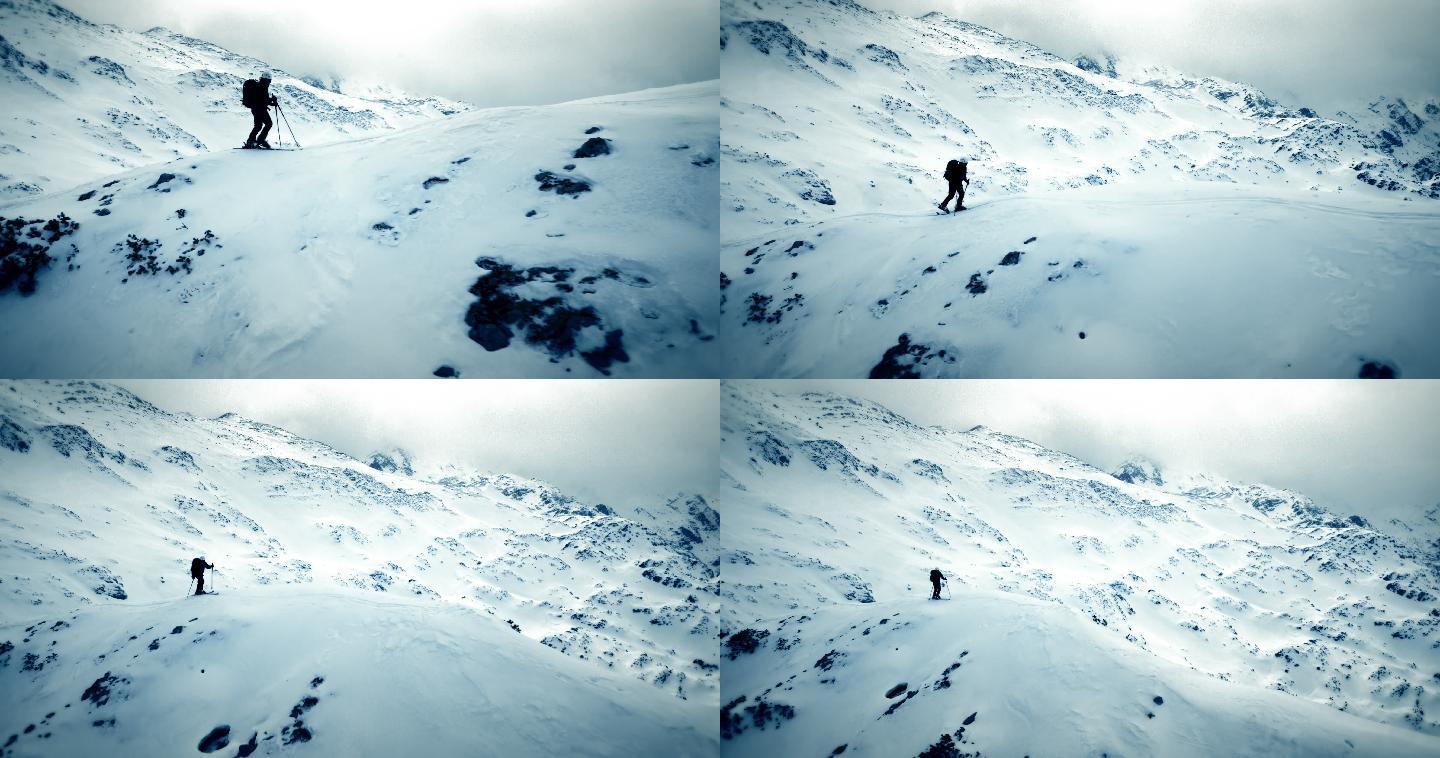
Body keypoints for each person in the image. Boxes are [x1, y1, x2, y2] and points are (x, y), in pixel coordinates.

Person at [242, 73, 278, 149]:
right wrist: (273, 101)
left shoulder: (259, 85)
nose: (270, 82)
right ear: (267, 79)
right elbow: (263, 100)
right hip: (260, 109)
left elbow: (262, 100)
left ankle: (251, 141)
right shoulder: (263, 86)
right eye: (270, 80)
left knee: (258, 126)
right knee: (268, 124)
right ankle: (259, 140)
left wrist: (271, 101)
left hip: (256, 109)